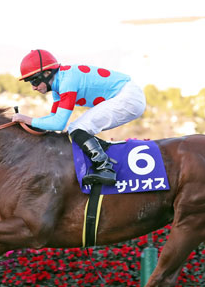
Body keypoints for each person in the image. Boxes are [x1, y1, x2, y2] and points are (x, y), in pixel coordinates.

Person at [11, 49, 146, 187]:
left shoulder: (67, 81)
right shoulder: (59, 85)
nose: (33, 87)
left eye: (34, 81)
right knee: (79, 128)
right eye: (30, 82)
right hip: (127, 96)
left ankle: (105, 168)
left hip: (129, 97)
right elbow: (52, 118)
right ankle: (102, 159)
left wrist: (27, 119)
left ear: (47, 73)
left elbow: (58, 124)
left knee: (77, 127)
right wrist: (29, 126)